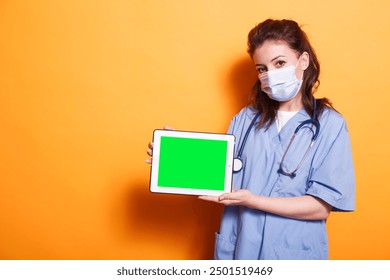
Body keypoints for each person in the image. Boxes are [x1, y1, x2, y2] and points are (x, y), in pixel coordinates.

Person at [146, 19, 355, 260]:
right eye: (262, 68)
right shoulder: (245, 120)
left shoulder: (330, 125)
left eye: (280, 63)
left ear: (303, 61)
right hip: (239, 249)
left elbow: (320, 207)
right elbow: (220, 181)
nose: (271, 74)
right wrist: (179, 158)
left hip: (293, 254)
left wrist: (254, 201)